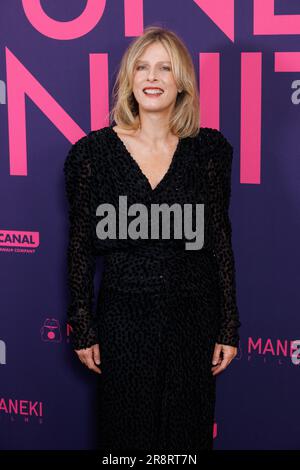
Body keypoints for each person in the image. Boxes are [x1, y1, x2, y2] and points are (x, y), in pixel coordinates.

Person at [63, 25, 241, 452]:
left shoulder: (210, 151)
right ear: (129, 79)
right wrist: (83, 326)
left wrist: (229, 323)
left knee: (186, 441)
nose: (152, 77)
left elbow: (218, 238)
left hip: (193, 317)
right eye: (142, 67)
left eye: (164, 67)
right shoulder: (92, 155)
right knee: (126, 442)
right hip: (124, 318)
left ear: (181, 82)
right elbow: (80, 249)